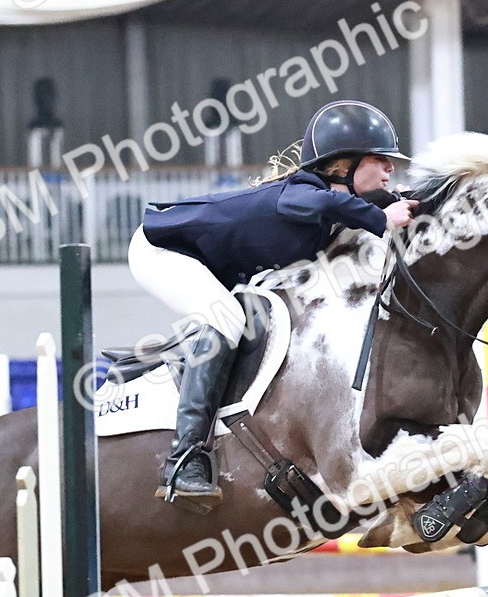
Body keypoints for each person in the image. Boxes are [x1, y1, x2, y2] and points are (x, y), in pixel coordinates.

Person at [130, 100, 418, 508]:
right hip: (159, 248)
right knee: (229, 319)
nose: (390, 169)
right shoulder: (301, 195)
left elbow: (376, 203)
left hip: (202, 261)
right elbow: (335, 207)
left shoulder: (336, 201)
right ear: (343, 165)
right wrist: (382, 217)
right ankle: (186, 457)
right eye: (380, 160)